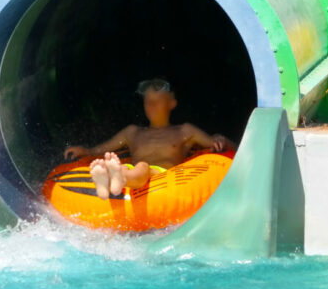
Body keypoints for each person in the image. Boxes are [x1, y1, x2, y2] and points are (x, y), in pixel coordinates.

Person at [63, 78, 234, 199]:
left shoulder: (184, 130)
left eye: (157, 101)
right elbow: (101, 149)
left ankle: (116, 180)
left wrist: (220, 139)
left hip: (163, 176)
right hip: (132, 170)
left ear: (171, 104)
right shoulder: (132, 132)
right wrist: (86, 151)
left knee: (143, 166)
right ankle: (111, 179)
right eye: (147, 101)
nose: (151, 106)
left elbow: (218, 144)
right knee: (124, 166)